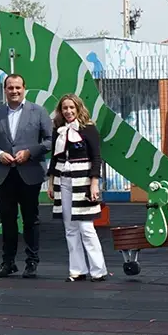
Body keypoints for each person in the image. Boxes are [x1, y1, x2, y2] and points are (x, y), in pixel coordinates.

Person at [0, 73, 53, 278]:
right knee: (8, 220)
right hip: (5, 175)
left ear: (24, 89)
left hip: (29, 173)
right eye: (10, 88)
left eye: (18, 88)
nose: (14, 91)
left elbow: (50, 141)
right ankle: (8, 262)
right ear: (4, 90)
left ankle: (32, 261)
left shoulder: (38, 112)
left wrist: (30, 152)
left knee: (31, 220)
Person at [47, 93, 108, 282]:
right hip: (62, 180)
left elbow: (96, 157)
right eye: (65, 108)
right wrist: (50, 181)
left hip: (83, 181)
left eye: (71, 107)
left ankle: (98, 270)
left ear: (78, 108)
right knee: (70, 227)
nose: (68, 111)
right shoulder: (58, 130)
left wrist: (94, 183)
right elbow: (54, 157)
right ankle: (77, 270)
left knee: (86, 227)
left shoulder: (88, 129)